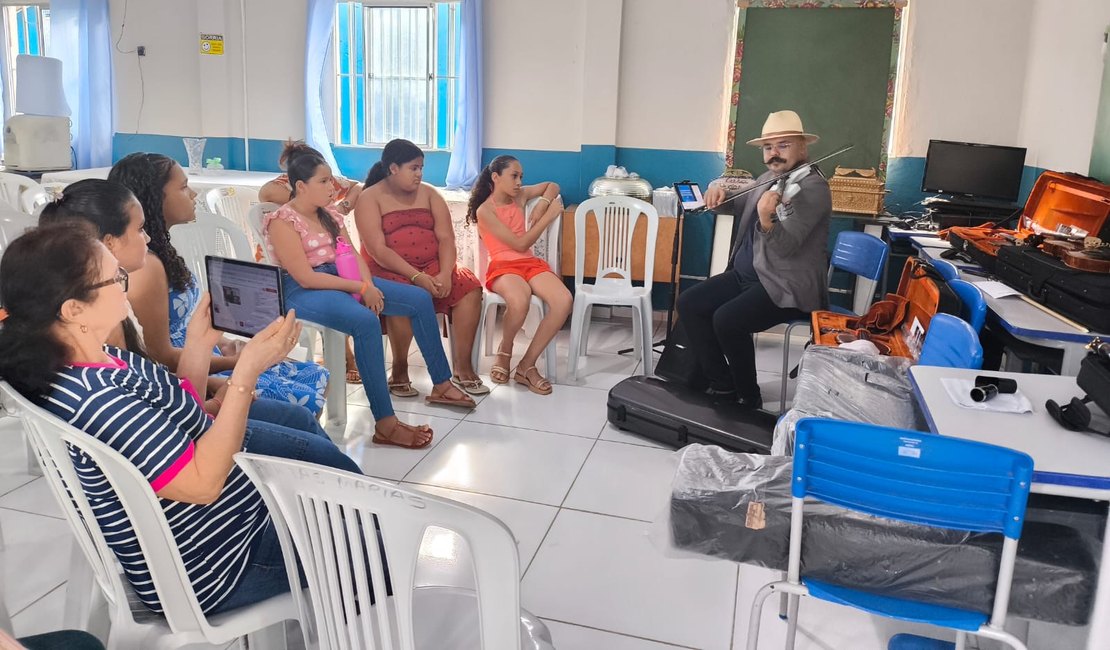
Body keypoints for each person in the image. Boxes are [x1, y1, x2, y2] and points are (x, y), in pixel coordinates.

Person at [0, 224, 364, 615]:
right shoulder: (99, 400)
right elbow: (203, 484)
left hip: (223, 529)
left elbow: (167, 420)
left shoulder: (89, 360)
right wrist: (244, 376)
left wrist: (199, 343)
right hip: (219, 564)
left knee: (347, 510)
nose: (126, 282)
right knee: (373, 543)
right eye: (115, 277)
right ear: (74, 310)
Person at [38, 179, 332, 435]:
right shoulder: (101, 335)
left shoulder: (106, 315)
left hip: (188, 412)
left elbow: (168, 396)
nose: (148, 237)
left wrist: (202, 346)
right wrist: (237, 378)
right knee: (301, 425)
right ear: (109, 244)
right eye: (140, 229)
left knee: (300, 420)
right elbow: (176, 432)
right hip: (189, 438)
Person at [265, 143, 476, 449]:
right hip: (303, 290)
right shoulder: (282, 221)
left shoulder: (329, 215)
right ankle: (385, 423)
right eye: (324, 182)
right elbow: (305, 276)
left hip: (341, 277)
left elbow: (351, 254)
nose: (332, 187)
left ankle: (442, 384)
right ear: (301, 186)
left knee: (417, 299)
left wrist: (367, 283)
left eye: (331, 180)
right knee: (365, 322)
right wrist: (360, 289)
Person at [107, 153, 330, 415]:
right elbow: (162, 357)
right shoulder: (147, 268)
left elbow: (187, 319)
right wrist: (235, 362)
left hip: (205, 353)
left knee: (315, 374)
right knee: (302, 395)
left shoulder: (160, 249)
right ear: (156, 198)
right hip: (190, 370)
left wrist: (225, 343)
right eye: (182, 187)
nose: (193, 194)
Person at [678, 110, 832, 409]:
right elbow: (737, 205)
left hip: (786, 283)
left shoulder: (812, 188)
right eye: (768, 147)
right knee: (690, 303)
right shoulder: (767, 178)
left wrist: (766, 219)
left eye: (783, 145)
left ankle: (749, 397)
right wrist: (716, 191)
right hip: (747, 275)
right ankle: (722, 386)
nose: (774, 153)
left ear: (803, 147)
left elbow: (787, 246)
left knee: (727, 320)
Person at [356, 139, 486, 396]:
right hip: (389, 269)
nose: (419, 174)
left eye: (421, 168)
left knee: (469, 286)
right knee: (406, 294)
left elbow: (447, 238)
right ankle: (400, 368)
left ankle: (462, 367)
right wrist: (416, 276)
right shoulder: (369, 198)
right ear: (393, 168)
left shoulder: (430, 194)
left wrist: (445, 273)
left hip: (434, 265)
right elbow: (378, 251)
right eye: (413, 168)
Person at [466, 155, 571, 395]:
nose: (519, 181)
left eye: (521, 176)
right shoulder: (486, 211)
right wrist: (548, 216)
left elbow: (552, 185)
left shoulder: (520, 195)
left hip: (530, 264)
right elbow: (521, 243)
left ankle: (527, 365)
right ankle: (505, 350)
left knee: (563, 301)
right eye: (514, 176)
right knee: (520, 300)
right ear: (496, 177)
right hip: (503, 265)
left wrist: (544, 202)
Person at [258, 140, 363, 214]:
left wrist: (343, 207)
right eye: (322, 181)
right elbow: (265, 192)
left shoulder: (329, 183)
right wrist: (306, 202)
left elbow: (359, 186)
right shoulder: (283, 184)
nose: (330, 186)